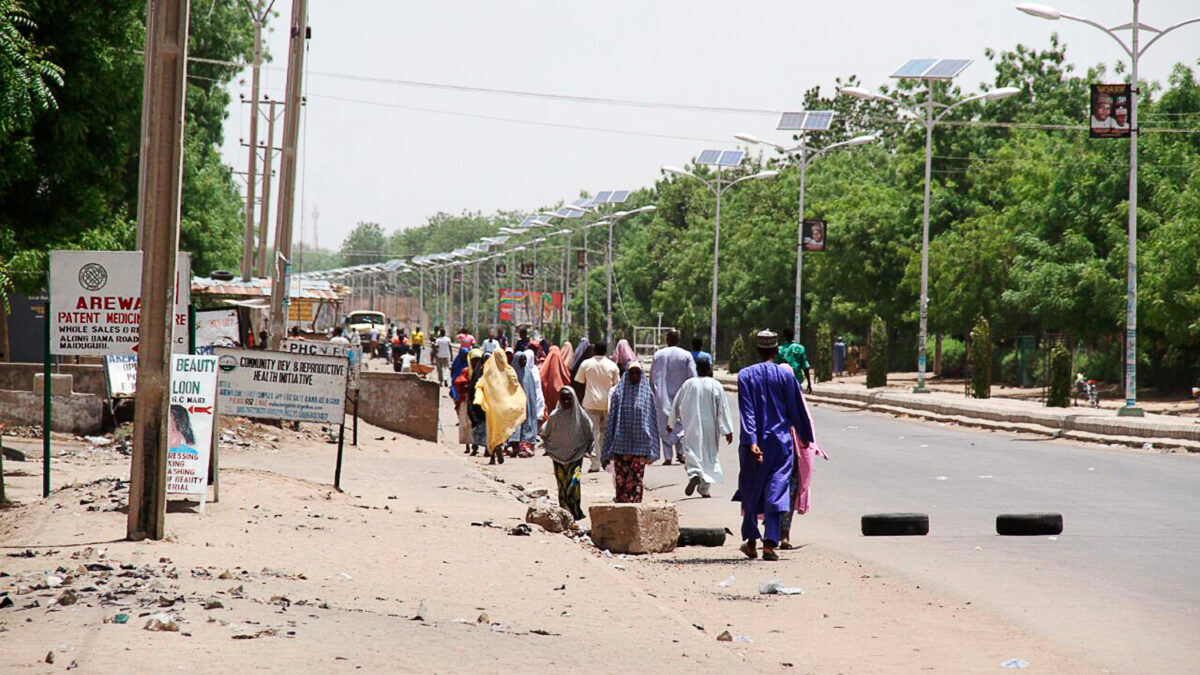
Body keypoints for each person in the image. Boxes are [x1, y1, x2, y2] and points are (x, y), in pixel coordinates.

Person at [734, 330, 813, 561]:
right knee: (777, 490)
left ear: (757, 350)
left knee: (751, 489)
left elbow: (746, 411)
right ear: (777, 351)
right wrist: (805, 435)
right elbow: (796, 408)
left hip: (754, 445)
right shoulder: (786, 376)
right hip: (781, 443)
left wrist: (751, 441)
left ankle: (751, 542)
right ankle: (770, 543)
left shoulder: (745, 375)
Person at [669, 357, 733, 498]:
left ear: (696, 369)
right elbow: (722, 408)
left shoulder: (688, 384)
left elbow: (676, 403)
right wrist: (727, 430)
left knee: (692, 451)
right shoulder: (715, 384)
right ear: (710, 369)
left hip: (692, 425)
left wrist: (671, 423)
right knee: (709, 455)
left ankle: (694, 474)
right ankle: (704, 488)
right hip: (711, 426)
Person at [602, 362, 660, 503]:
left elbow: (652, 422)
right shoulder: (618, 394)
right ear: (627, 374)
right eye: (631, 373)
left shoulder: (647, 395)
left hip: (640, 446)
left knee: (636, 481)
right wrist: (606, 452)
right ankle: (623, 513)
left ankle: (635, 511)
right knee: (621, 483)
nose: (634, 376)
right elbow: (611, 422)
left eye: (637, 373)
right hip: (621, 446)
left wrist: (652, 450)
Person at [540, 387, 592, 521]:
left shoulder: (581, 416)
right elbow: (545, 432)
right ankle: (565, 512)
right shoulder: (555, 416)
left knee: (574, 483)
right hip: (558, 457)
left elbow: (589, 433)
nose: (566, 402)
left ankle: (575, 511)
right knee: (562, 485)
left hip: (577, 456)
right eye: (563, 399)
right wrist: (549, 446)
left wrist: (588, 449)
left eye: (569, 399)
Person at [651, 329, 697, 465]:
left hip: (662, 397)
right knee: (681, 424)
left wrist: (655, 393)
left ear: (667, 340)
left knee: (665, 425)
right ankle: (681, 452)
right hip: (682, 396)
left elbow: (652, 378)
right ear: (679, 340)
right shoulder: (686, 355)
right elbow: (693, 376)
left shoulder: (658, 355)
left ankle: (668, 456)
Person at [474, 349, 527, 465]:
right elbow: (515, 385)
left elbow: (480, 385)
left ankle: (492, 454)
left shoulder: (487, 371)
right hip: (504, 406)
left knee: (492, 430)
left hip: (492, 407)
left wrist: (479, 400)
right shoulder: (509, 371)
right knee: (501, 429)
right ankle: (500, 445)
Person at [574, 341, 619, 472]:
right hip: (607, 404)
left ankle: (595, 463)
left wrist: (578, 400)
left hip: (590, 402)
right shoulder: (612, 366)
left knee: (593, 433)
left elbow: (579, 384)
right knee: (604, 433)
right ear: (605, 351)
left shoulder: (586, 364)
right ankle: (604, 459)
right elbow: (617, 386)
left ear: (593, 351)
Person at [508, 350, 545, 458]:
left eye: (525, 359)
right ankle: (513, 445)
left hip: (527, 405)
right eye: (521, 359)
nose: (524, 361)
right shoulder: (511, 374)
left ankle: (525, 445)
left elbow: (533, 391)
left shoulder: (529, 373)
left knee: (527, 423)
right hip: (514, 405)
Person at [453, 349, 481, 455]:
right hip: (467, 401)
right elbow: (459, 382)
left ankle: (477, 445)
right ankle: (469, 445)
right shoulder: (466, 371)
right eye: (474, 360)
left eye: (478, 359)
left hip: (479, 401)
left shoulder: (483, 370)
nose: (476, 362)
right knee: (466, 423)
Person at [775, 328, 814, 394]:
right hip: (797, 381)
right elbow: (805, 366)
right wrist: (809, 383)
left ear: (784, 336)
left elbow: (776, 367)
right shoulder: (800, 348)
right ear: (793, 336)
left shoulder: (780, 349)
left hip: (783, 382)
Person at [540, 345, 571, 415]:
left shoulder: (544, 367)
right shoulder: (563, 367)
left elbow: (541, 378)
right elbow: (568, 379)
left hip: (548, 396)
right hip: (560, 397)